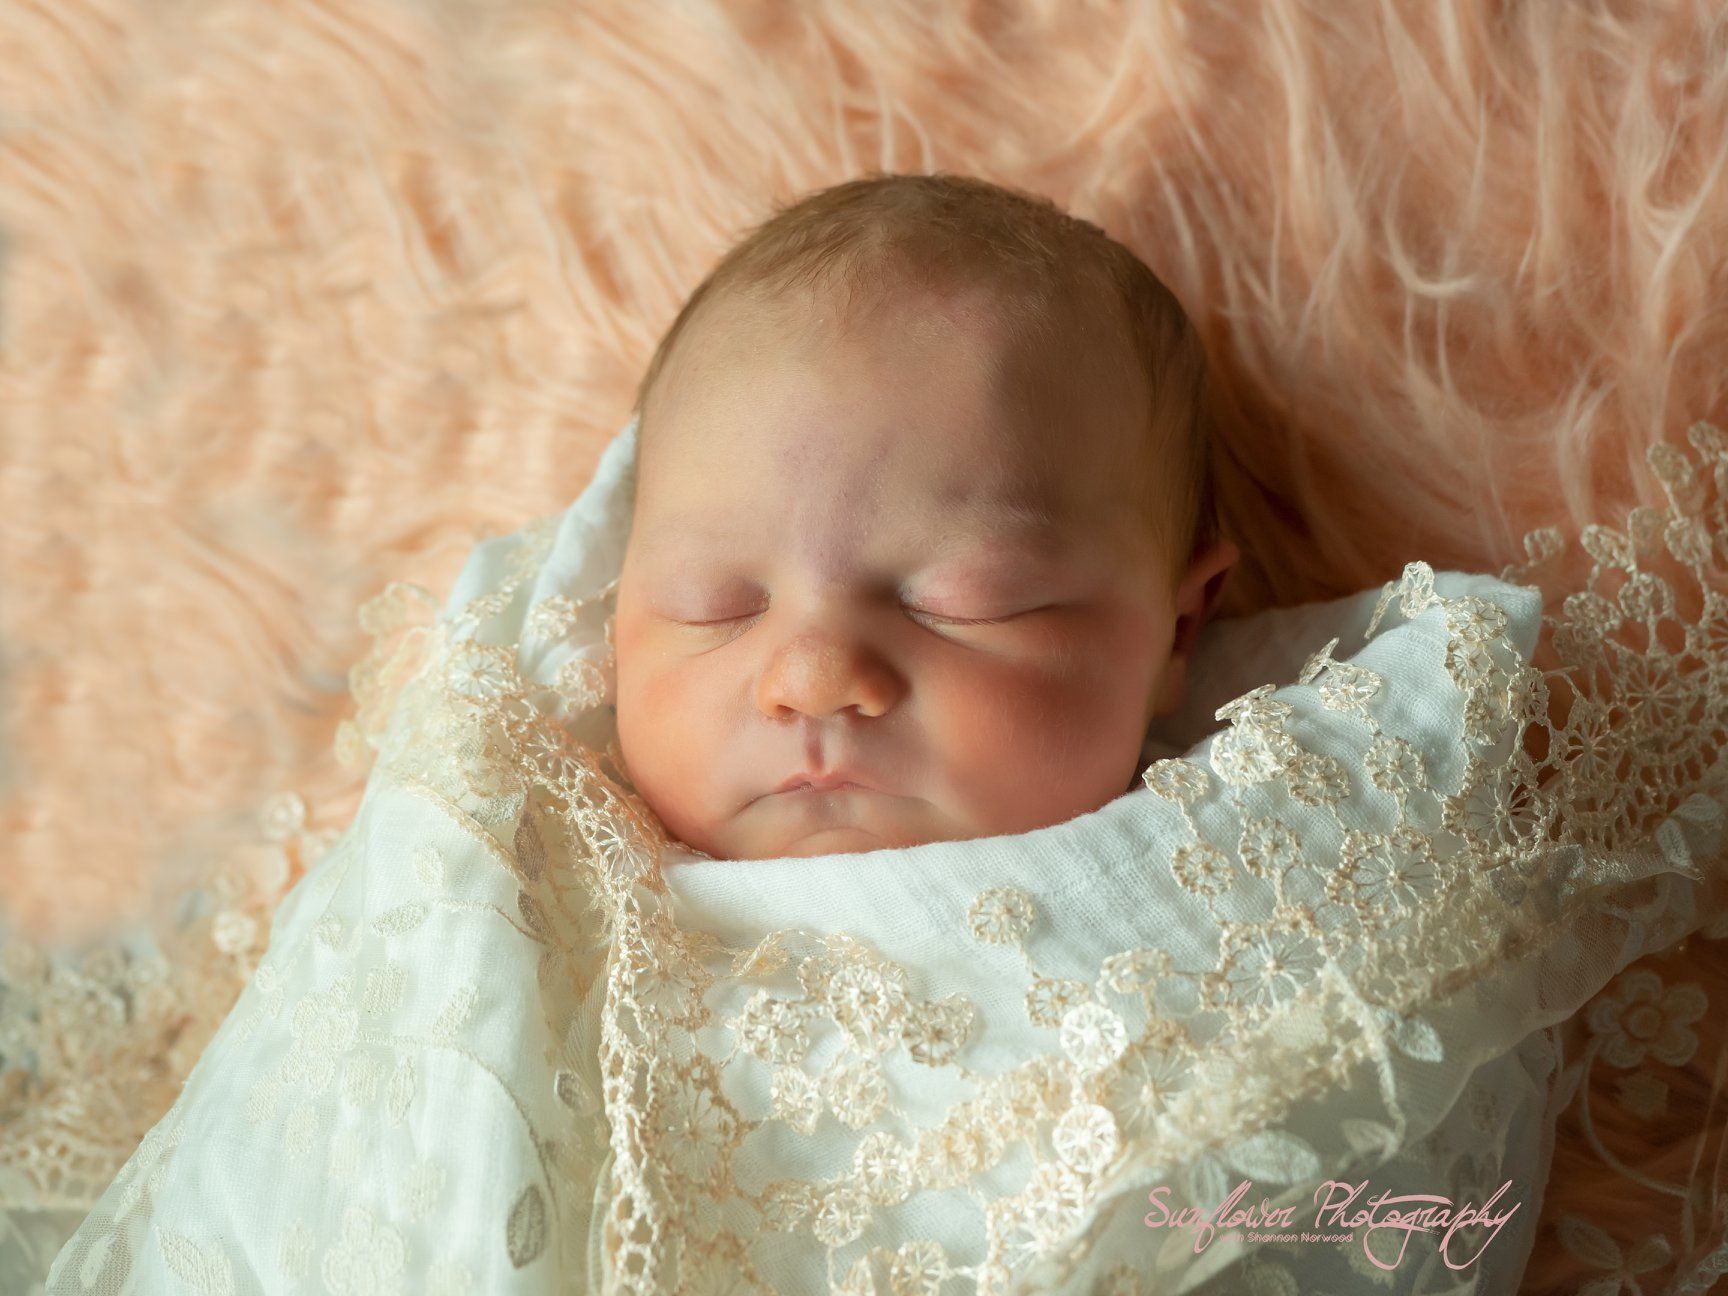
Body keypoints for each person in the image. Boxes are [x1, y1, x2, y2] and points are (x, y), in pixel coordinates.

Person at [613, 171, 1239, 861]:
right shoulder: (547, 874)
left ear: (1178, 633)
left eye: (971, 599)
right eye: (711, 604)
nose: (815, 681)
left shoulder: (1264, 826)